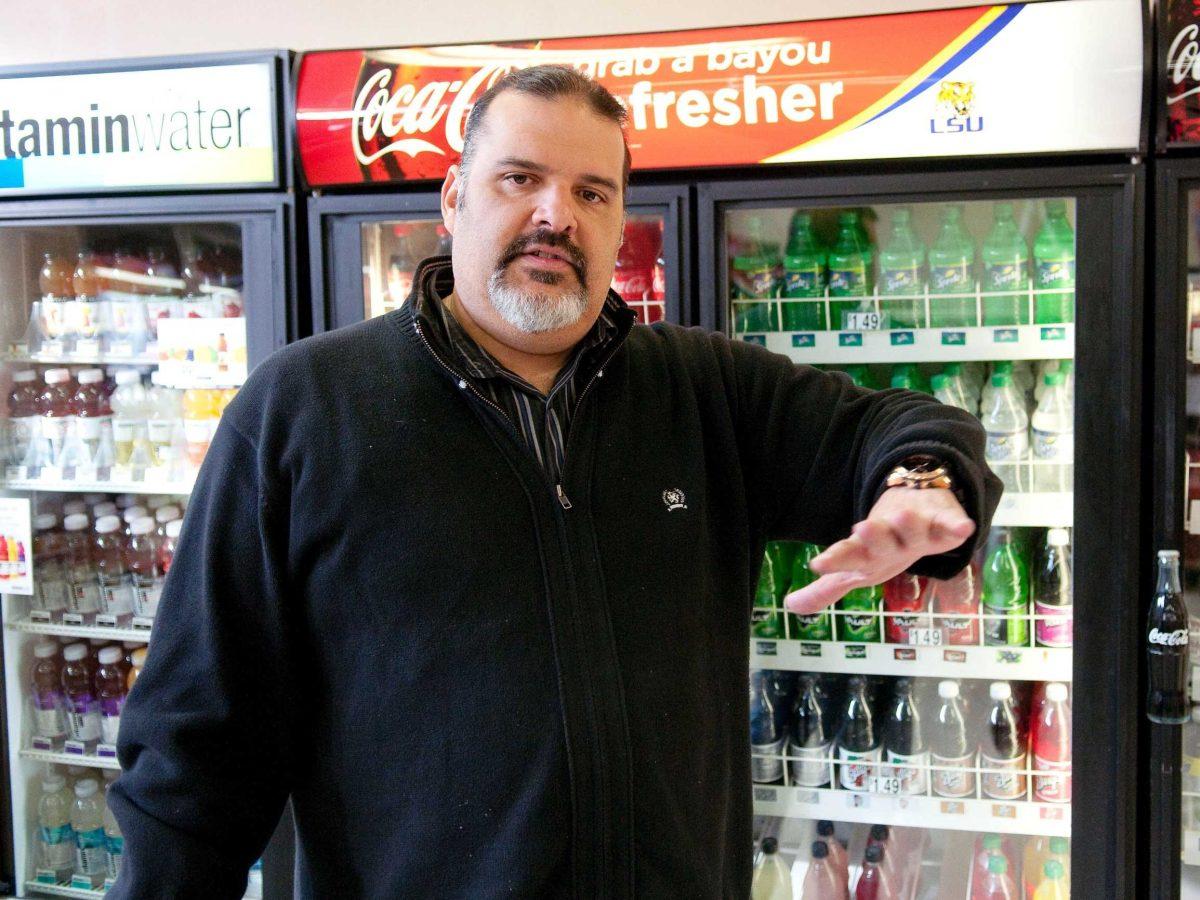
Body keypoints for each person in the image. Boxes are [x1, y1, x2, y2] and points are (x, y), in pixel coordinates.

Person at [109, 66, 1001, 898]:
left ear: (618, 226)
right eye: (519, 179)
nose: (556, 215)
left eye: (590, 192)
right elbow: (201, 742)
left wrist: (921, 477)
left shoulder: (704, 390)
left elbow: (894, 424)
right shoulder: (304, 410)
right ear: (453, 200)